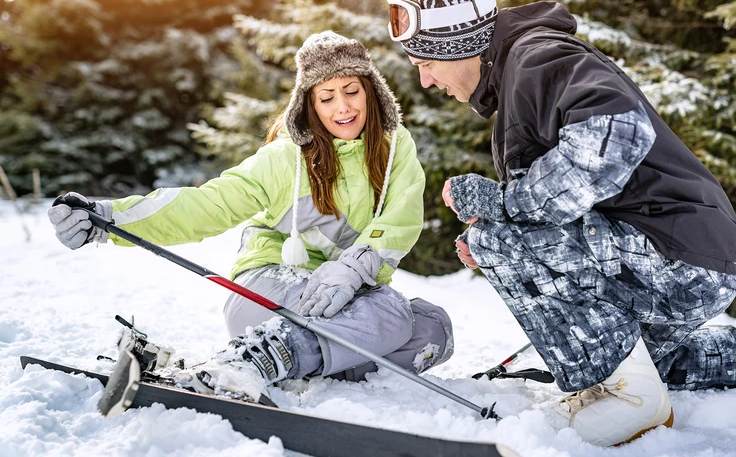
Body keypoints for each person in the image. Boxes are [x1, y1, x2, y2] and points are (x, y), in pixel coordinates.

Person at [387, 0, 736, 446]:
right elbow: (568, 201)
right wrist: (515, 233)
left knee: (500, 243)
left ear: (461, 46)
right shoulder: (521, 70)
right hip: (692, 254)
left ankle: (623, 398)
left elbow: (617, 133)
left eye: (427, 63)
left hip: (675, 253)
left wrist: (504, 212)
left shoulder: (537, 58)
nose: (425, 80)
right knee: (630, 354)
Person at [47, 31, 454, 401]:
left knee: (433, 329)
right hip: (270, 293)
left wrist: (352, 269)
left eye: (351, 91)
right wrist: (110, 218)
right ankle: (256, 360)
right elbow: (208, 204)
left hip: (349, 299)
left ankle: (283, 365)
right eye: (327, 97)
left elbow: (399, 220)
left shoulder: (394, 147)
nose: (343, 107)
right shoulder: (286, 158)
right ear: (310, 104)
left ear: (372, 92)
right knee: (389, 312)